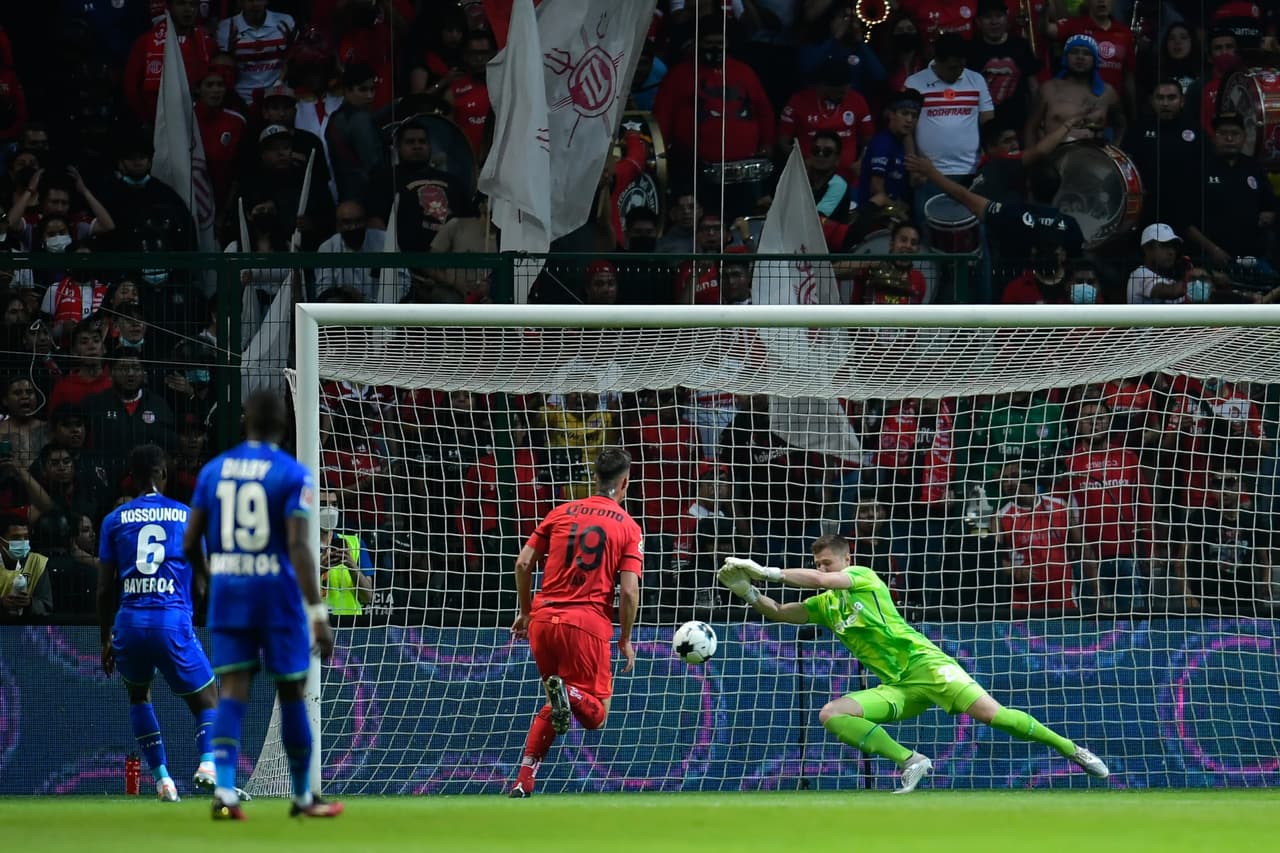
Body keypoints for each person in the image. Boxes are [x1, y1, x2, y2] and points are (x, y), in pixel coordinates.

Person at [716, 535, 1110, 792]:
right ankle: (911, 760)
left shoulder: (863, 577)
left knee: (996, 717)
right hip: (898, 686)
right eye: (817, 564)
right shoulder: (824, 606)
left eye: (827, 563)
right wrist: (747, 591)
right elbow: (782, 612)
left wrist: (766, 571)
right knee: (832, 714)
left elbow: (819, 582)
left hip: (928, 666)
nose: (822, 570)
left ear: (847, 560)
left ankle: (1072, 750)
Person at [184, 391, 342, 820]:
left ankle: (224, 793)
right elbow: (298, 546)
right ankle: (303, 797)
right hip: (277, 598)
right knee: (291, 692)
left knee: (232, 693)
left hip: (229, 595)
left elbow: (189, 540)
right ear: (284, 426)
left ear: (245, 421)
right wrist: (317, 612)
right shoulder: (292, 473)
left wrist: (208, 576)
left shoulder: (214, 470)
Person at [507, 446, 643, 798]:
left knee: (556, 707)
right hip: (585, 623)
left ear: (595, 478)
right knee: (596, 715)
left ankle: (523, 779)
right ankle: (569, 691)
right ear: (625, 482)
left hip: (543, 621)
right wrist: (625, 638)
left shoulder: (560, 512)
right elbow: (629, 592)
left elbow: (523, 564)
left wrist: (525, 611)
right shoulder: (628, 527)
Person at [96, 444, 220, 802]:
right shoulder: (187, 516)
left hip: (129, 623)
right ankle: (207, 765)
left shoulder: (114, 520)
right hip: (172, 619)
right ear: (164, 474)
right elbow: (202, 581)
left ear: (132, 478)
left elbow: (103, 588)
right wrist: (189, 614)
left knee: (139, 695)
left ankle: (163, 780)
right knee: (209, 700)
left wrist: (106, 638)